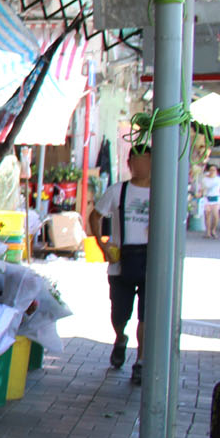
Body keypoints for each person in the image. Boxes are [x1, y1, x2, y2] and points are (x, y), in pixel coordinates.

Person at [90, 145, 151, 385]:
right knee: (119, 314)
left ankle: (141, 361)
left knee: (146, 315)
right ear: (129, 164)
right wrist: (102, 246)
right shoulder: (118, 191)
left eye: (147, 161)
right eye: (137, 161)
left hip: (149, 262)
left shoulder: (161, 193)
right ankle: (120, 337)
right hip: (120, 262)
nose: (142, 166)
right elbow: (94, 216)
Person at [198, 162, 220, 239]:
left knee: (216, 216)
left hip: (216, 198)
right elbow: (201, 189)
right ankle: (208, 232)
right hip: (207, 198)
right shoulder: (204, 179)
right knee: (207, 215)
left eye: (214, 170)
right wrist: (200, 194)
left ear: (216, 171)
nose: (212, 171)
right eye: (211, 170)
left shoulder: (219, 180)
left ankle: (213, 229)